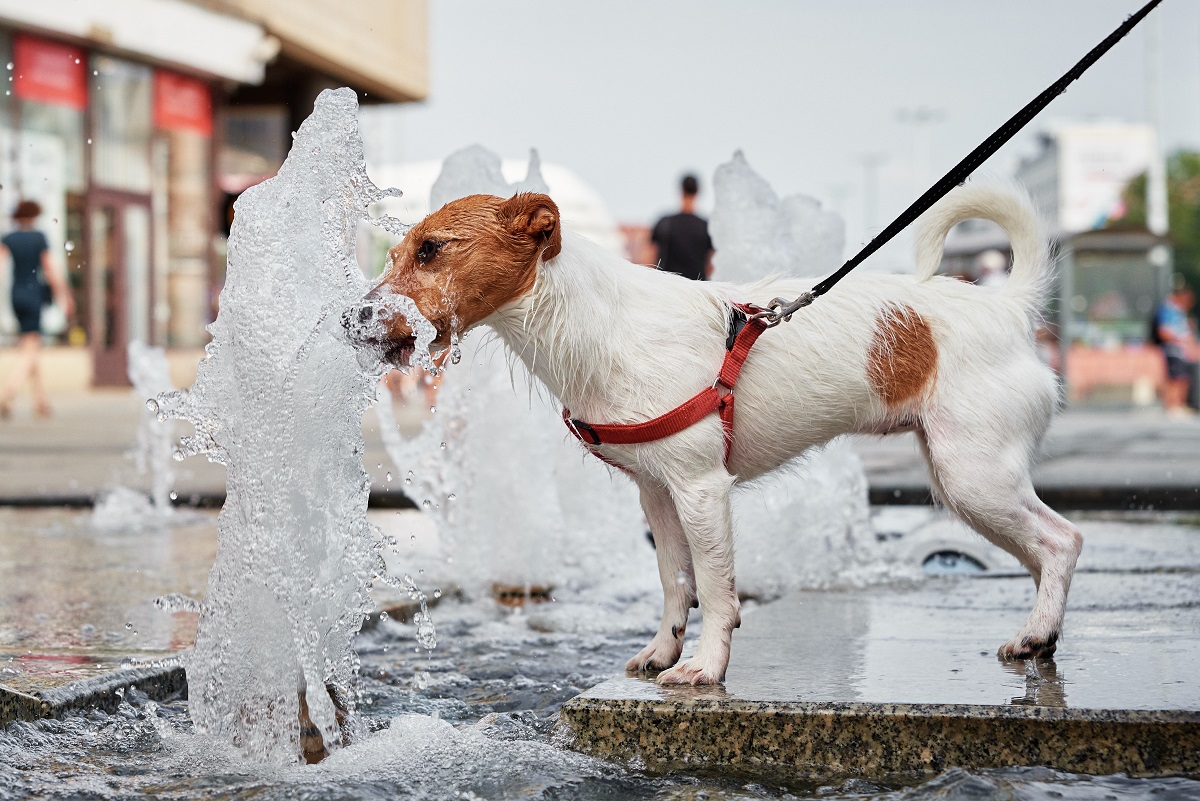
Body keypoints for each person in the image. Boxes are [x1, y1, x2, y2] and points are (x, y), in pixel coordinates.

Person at [0, 200, 74, 418]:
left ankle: (40, 400)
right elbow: (50, 269)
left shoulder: (9, 238)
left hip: (15, 294)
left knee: (30, 345)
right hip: (33, 295)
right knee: (31, 348)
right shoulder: (38, 238)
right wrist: (65, 296)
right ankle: (7, 393)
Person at [649, 174, 714, 280]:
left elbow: (649, 259)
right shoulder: (706, 226)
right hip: (697, 290)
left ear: (681, 190)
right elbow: (711, 265)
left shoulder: (665, 223)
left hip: (669, 288)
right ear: (697, 191)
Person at [1154, 274, 1198, 418]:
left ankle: (1179, 404)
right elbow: (1163, 332)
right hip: (1174, 349)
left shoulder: (1180, 312)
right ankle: (1171, 405)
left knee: (1183, 377)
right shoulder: (1168, 309)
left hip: (1183, 351)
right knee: (1175, 377)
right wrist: (1180, 339)